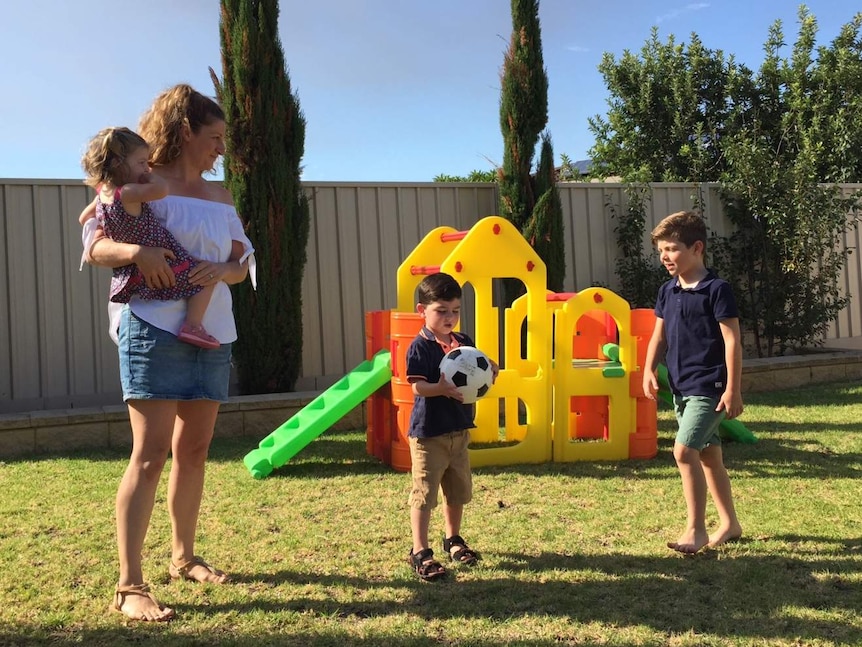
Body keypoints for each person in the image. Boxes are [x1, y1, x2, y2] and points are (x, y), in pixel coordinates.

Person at [82, 84, 256, 621]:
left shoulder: (221, 195)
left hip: (212, 331)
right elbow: (93, 239)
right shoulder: (138, 180)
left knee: (196, 449)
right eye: (214, 137)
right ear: (185, 132)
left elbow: (241, 260)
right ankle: (130, 585)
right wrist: (135, 250)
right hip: (152, 326)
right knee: (151, 453)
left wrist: (224, 271)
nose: (221, 149)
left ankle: (184, 557)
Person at [642, 210, 743, 555]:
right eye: (661, 251)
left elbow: (732, 341)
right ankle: (729, 523)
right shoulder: (667, 291)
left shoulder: (717, 290)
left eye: (671, 249)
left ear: (696, 247)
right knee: (710, 457)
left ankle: (696, 530)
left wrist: (733, 389)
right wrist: (648, 370)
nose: (664, 257)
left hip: (710, 387)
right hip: (682, 389)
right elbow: (659, 336)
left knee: (685, 452)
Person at [80, 126, 219, 349]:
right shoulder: (128, 193)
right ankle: (193, 326)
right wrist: (151, 176)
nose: (147, 167)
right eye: (142, 162)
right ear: (118, 163)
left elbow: (83, 218)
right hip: (158, 251)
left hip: (135, 269)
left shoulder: (103, 194)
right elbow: (162, 190)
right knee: (205, 277)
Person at [404, 272, 497, 581]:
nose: (449, 317)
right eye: (441, 310)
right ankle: (419, 550)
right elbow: (416, 388)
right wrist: (440, 387)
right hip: (429, 434)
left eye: (455, 310)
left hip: (459, 430)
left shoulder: (464, 343)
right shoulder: (420, 347)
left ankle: (453, 539)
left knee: (457, 491)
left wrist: (490, 369)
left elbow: (477, 367)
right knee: (425, 494)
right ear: (422, 310)